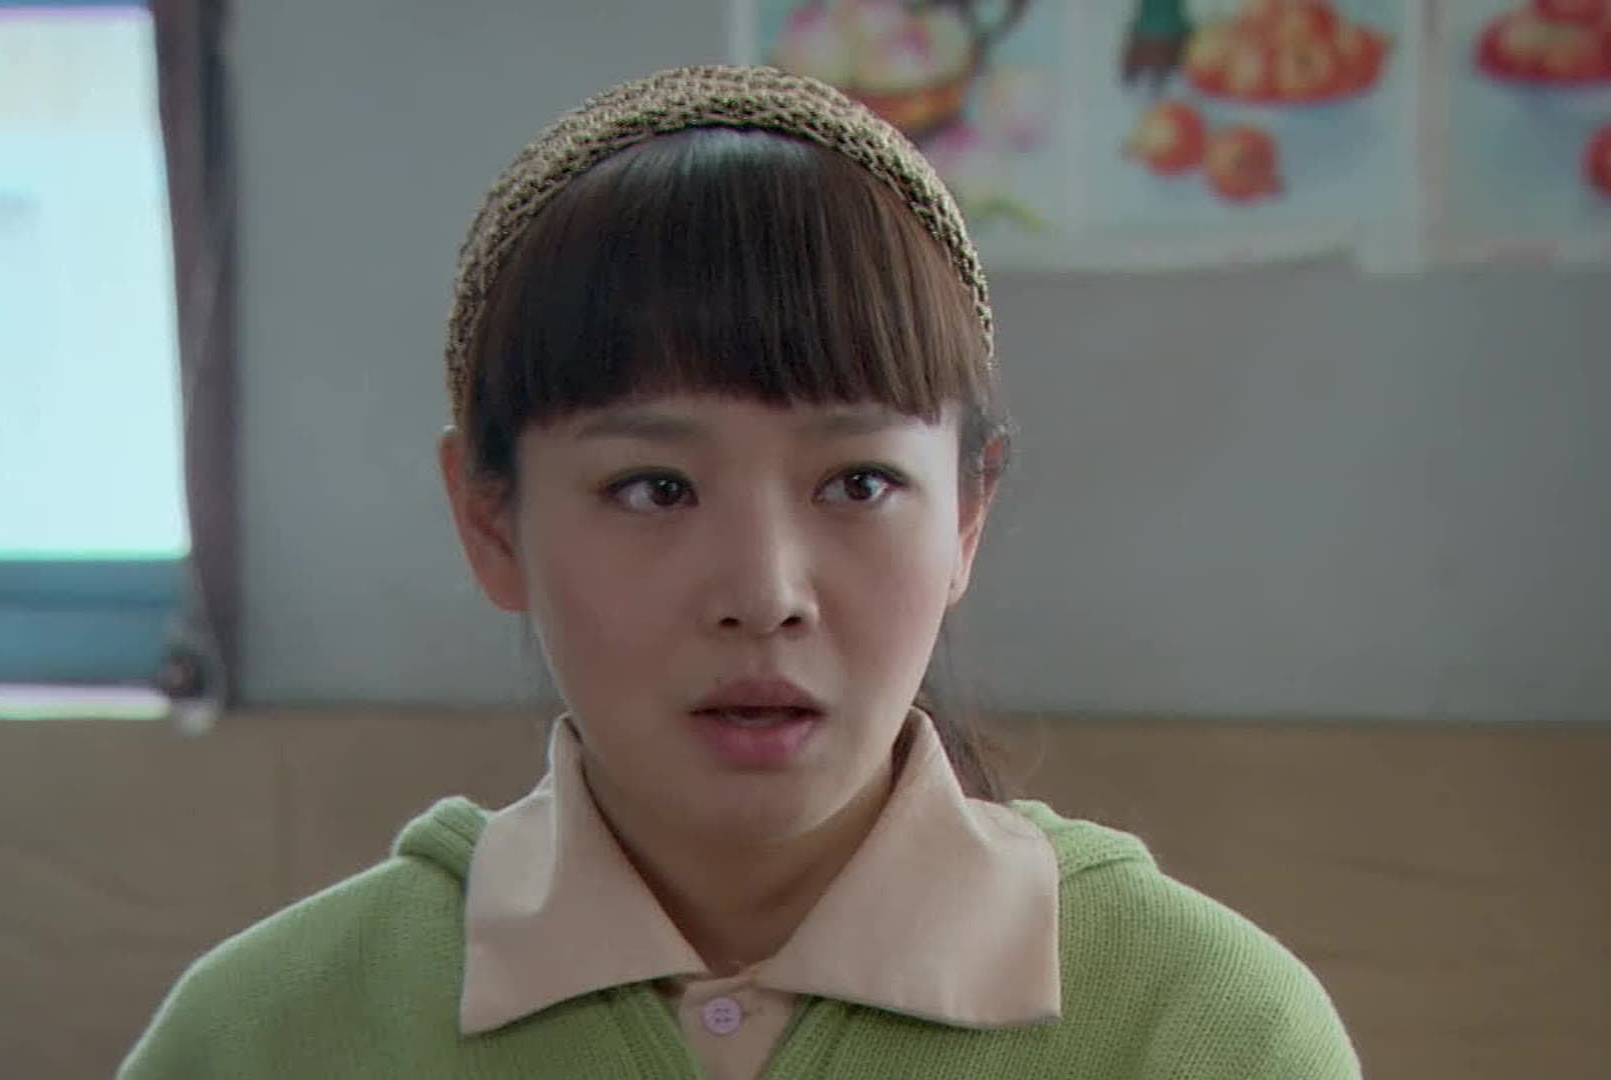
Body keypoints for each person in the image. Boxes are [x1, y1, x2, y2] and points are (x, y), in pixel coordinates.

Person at [118, 65, 1359, 1079]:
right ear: (489, 521)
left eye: (857, 483)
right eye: (652, 489)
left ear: (968, 515)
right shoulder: (267, 1037)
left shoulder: (1206, 1032)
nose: (764, 594)